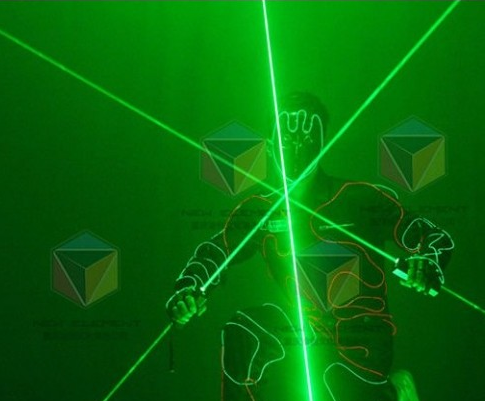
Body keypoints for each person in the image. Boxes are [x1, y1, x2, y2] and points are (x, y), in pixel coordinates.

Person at [166, 92, 454, 401]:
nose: (296, 147)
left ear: (323, 143)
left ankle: (387, 392)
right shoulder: (260, 212)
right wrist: (190, 288)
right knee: (244, 331)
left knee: (327, 382)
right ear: (270, 144)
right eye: (286, 138)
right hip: (306, 332)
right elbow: (216, 251)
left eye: (306, 139)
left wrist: (427, 264)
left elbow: (433, 237)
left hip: (362, 342)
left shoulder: (359, 199)